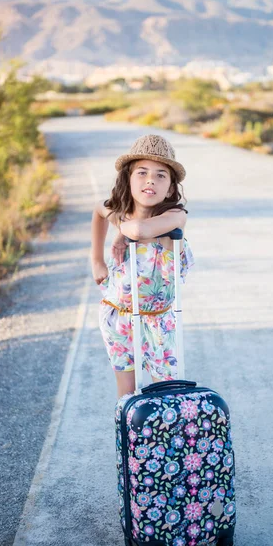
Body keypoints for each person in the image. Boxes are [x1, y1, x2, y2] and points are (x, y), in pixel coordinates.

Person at [90, 134, 194, 398]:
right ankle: (129, 439)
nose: (150, 180)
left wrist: (122, 230)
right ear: (128, 178)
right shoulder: (120, 212)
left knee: (167, 393)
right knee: (127, 395)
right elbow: (99, 210)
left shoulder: (174, 217)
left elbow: (138, 229)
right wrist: (97, 261)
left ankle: (162, 439)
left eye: (161, 175)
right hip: (118, 315)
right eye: (142, 172)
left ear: (171, 188)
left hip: (158, 320)